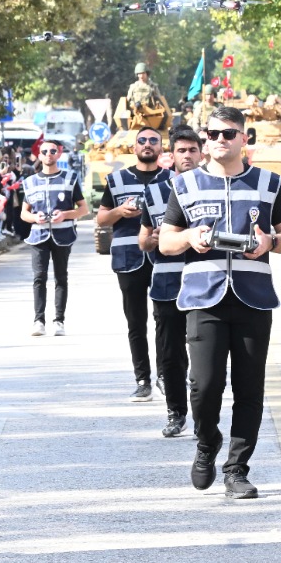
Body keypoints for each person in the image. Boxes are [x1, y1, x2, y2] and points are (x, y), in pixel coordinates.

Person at [157, 106, 281, 500]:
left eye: (230, 133)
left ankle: (237, 470)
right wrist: (189, 239)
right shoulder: (185, 185)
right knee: (203, 387)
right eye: (214, 133)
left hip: (253, 298)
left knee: (249, 388)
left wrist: (270, 242)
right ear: (205, 138)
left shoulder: (268, 184)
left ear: (244, 138)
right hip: (204, 297)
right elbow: (165, 241)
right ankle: (207, 443)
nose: (221, 139)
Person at [138, 128, 204, 438]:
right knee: (170, 354)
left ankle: (204, 413)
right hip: (166, 284)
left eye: (192, 150)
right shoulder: (153, 192)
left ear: (201, 153)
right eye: (182, 151)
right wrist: (152, 240)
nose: (187, 156)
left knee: (204, 355)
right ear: (171, 155)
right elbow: (145, 240)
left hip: (205, 284)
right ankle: (176, 413)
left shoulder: (214, 188)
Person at [95, 127, 166, 401]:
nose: (147, 145)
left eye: (153, 141)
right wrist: (118, 212)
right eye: (142, 141)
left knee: (165, 320)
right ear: (133, 147)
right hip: (129, 258)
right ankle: (143, 379)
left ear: (161, 147)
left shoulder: (172, 180)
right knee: (136, 322)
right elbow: (101, 219)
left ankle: (164, 375)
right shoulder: (117, 180)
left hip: (163, 257)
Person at [20, 141, 86, 336]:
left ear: (58, 154)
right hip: (39, 235)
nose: (48, 154)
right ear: (39, 155)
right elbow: (24, 213)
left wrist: (65, 215)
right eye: (44, 151)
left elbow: (83, 209)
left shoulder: (70, 178)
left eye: (52, 151)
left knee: (61, 277)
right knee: (39, 277)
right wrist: (34, 218)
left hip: (63, 235)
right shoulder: (30, 181)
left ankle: (59, 320)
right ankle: (38, 320)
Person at [125, 63, 166, 128]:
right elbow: (128, 101)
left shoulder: (153, 87)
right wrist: (134, 106)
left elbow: (159, 101)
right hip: (136, 114)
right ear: (137, 75)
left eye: (143, 73)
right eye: (139, 74)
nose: (141, 76)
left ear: (147, 74)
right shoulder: (133, 87)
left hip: (151, 115)